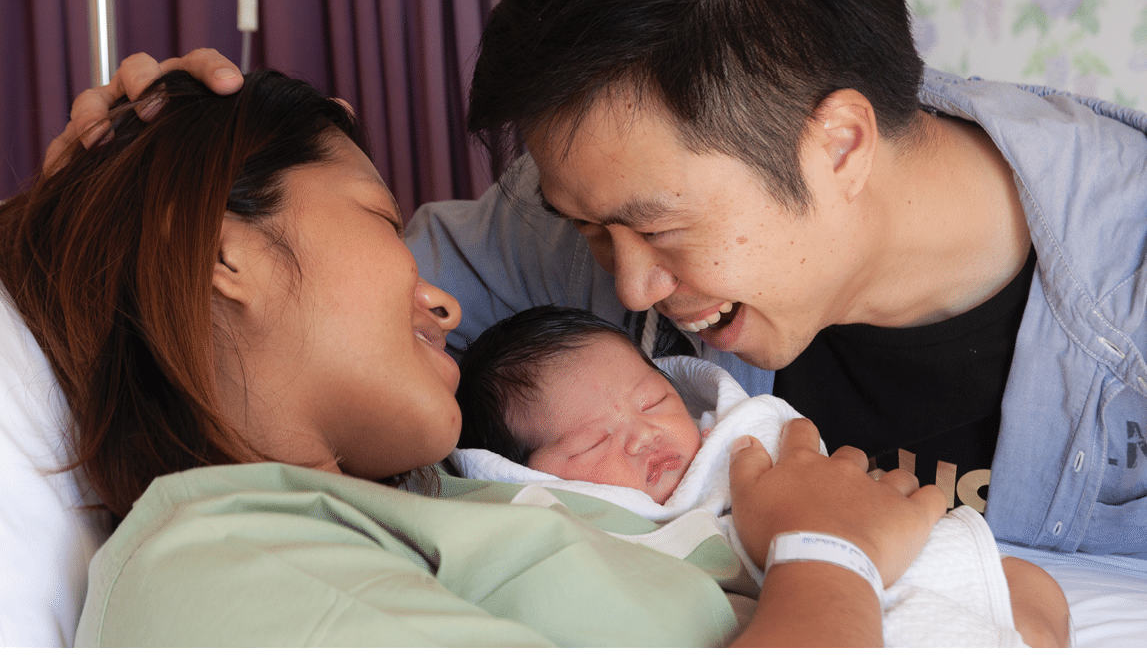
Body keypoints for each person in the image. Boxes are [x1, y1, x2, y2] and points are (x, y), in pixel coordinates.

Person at [53, 0, 1147, 556]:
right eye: (586, 228)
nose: (625, 288)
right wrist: (135, 195)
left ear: (841, 144)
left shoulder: (1126, 282)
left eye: (654, 228)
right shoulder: (555, 236)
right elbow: (303, 313)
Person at [8, 68, 949, 646]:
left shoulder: (428, 503)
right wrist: (828, 554)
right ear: (222, 251)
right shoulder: (220, 570)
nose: (443, 300)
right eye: (382, 221)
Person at [451, 305, 1069, 647]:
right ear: (519, 472)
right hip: (804, 620)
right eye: (592, 440)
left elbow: (825, 482)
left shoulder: (740, 444)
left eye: (652, 403)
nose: (642, 435)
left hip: (879, 557)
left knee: (1029, 585)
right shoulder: (565, 531)